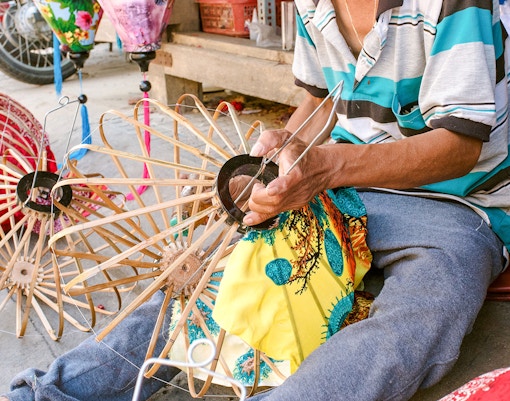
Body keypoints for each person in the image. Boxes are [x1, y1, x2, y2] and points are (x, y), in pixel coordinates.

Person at [2, 0, 510, 400]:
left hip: (455, 205)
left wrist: (326, 167)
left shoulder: (454, 1)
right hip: (343, 183)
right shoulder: (313, 4)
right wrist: (275, 161)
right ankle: (51, 392)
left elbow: (458, 147)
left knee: (420, 315)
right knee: (202, 281)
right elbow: (319, 98)